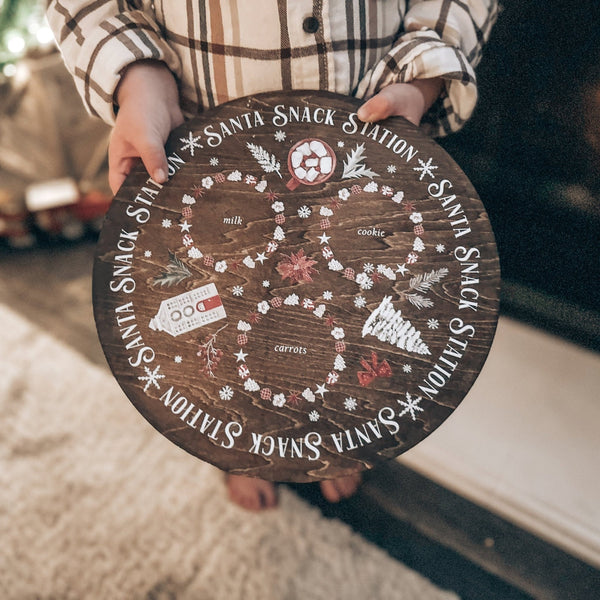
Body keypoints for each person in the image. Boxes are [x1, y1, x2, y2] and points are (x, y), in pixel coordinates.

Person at [47, 0, 497, 511]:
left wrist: (423, 76)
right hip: (206, 145)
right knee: (224, 327)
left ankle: (339, 440)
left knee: (358, 313)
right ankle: (238, 449)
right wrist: (138, 77)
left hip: (370, 139)